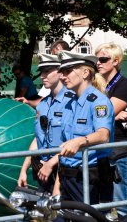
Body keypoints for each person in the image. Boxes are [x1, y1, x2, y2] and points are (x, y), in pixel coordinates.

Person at [55, 50, 115, 206]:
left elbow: (103, 135)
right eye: (62, 72)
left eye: (68, 71)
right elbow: (64, 147)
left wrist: (81, 141)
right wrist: (57, 184)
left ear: (85, 73)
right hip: (67, 176)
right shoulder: (69, 103)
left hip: (90, 177)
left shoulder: (98, 101)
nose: (62, 76)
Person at [17, 53, 74, 193]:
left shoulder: (72, 102)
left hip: (64, 169)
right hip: (43, 169)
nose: (43, 76)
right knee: (46, 213)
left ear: (61, 72)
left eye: (47, 71)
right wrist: (24, 170)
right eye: (42, 72)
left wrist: (51, 163)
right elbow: (38, 138)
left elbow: (73, 141)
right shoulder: (43, 104)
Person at [95, 42, 127, 217]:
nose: (98, 62)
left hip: (120, 150)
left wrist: (111, 114)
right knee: (101, 204)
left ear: (116, 61)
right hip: (102, 151)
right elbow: (103, 112)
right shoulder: (96, 85)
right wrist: (113, 114)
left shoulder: (124, 85)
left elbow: (101, 113)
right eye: (96, 59)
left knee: (122, 204)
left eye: (103, 59)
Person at [18, 40, 70, 108]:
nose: (42, 76)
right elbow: (44, 101)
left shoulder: (74, 83)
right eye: (53, 56)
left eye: (47, 71)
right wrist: (28, 102)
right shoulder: (50, 83)